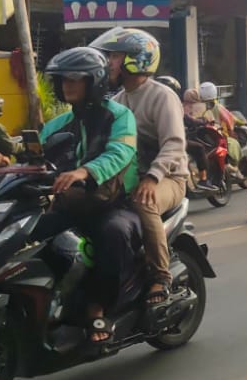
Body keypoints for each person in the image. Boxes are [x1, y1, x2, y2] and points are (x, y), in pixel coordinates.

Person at [39, 47, 142, 346]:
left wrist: (84, 172)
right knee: (33, 232)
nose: (67, 85)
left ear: (93, 81)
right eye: (63, 80)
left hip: (113, 203)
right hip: (71, 204)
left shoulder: (119, 116)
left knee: (113, 234)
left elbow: (120, 153)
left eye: (75, 79)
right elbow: (37, 160)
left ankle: (99, 308)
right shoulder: (56, 125)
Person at [91, 27, 187, 303]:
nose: (109, 63)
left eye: (115, 56)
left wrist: (152, 177)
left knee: (144, 202)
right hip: (131, 178)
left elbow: (174, 144)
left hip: (169, 178)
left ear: (137, 59)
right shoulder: (117, 100)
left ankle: (160, 276)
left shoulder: (161, 96)